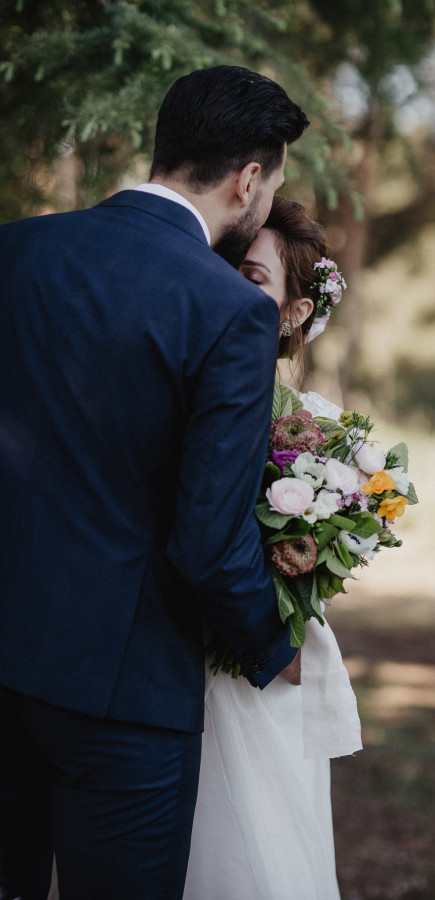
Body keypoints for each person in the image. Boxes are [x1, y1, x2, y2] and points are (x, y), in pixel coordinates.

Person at [0, 66, 308, 900]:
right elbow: (208, 537)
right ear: (249, 179)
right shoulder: (228, 310)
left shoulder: (15, 249)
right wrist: (271, 647)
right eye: (272, 180)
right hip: (120, 693)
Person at [182, 197, 362, 900]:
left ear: (292, 313)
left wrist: (303, 563)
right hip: (180, 657)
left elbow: (329, 544)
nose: (229, 285)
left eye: (253, 278)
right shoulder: (186, 392)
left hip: (265, 667)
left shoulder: (316, 426)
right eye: (228, 266)